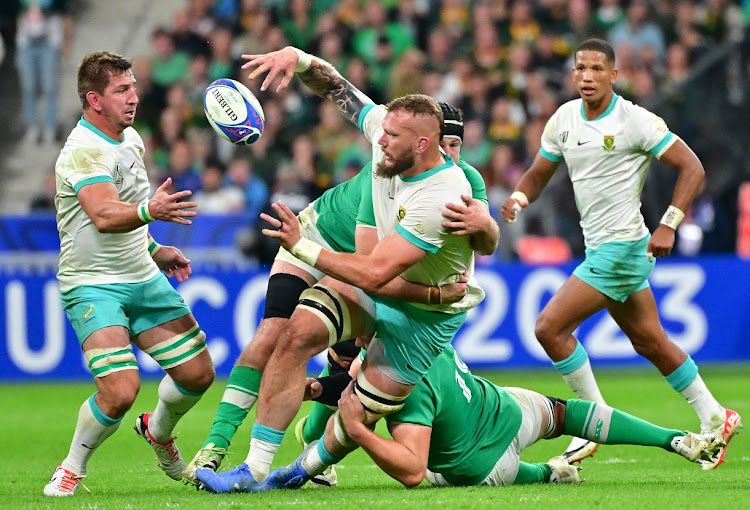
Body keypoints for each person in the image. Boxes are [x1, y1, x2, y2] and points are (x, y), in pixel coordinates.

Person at [194, 47, 485, 494]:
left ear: (424, 145)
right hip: (368, 271)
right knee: (290, 335)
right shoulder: (389, 143)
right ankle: (250, 469)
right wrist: (301, 58)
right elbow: (337, 88)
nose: (378, 141)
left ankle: (300, 470)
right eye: (381, 130)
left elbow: (375, 274)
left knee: (353, 417)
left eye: (390, 136)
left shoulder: (442, 196)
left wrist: (303, 248)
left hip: (422, 323)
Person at [500, 39, 741, 468]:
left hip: (623, 248)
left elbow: (693, 167)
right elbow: (540, 172)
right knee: (650, 341)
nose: (587, 77)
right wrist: (519, 197)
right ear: (573, 75)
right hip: (603, 247)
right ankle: (715, 416)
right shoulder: (564, 119)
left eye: (596, 69)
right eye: (580, 69)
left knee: (549, 328)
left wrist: (668, 222)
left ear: (614, 75)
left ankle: (591, 427)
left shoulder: (635, 121)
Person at [44, 52, 215, 497]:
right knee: (120, 389)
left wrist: (156, 249)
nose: (134, 97)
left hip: (141, 275)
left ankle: (158, 432)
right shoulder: (82, 151)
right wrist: (150, 211)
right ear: (94, 99)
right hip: (93, 284)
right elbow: (103, 213)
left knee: (198, 374)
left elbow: (130, 214)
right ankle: (71, 467)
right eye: (122, 90)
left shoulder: (132, 140)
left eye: (133, 87)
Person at [280, 343, 723, 490]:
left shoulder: (393, 383)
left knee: (428, 466)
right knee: (564, 413)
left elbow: (412, 470)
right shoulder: (430, 334)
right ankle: (675, 439)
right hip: (506, 410)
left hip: (486, 467)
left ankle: (548, 474)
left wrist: (353, 424)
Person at [14, 0, 73, 144]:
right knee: (29, 88)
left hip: (49, 45)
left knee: (50, 88)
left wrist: (67, 43)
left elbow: (66, 17)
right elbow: (15, 15)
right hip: (26, 45)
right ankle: (32, 128)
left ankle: (50, 128)